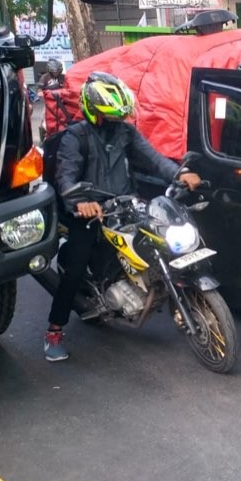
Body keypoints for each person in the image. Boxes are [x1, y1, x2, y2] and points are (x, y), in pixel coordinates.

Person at [46, 72, 201, 362]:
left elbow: (153, 158)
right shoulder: (75, 137)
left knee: (159, 243)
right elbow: (66, 177)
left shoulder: (125, 132)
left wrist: (180, 174)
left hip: (125, 204)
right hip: (88, 212)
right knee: (77, 265)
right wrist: (83, 203)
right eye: (110, 115)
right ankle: (54, 330)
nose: (117, 120)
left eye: (119, 115)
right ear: (94, 112)